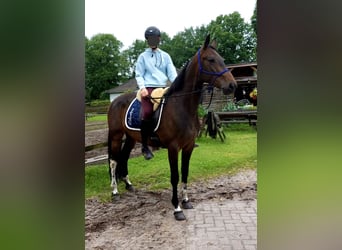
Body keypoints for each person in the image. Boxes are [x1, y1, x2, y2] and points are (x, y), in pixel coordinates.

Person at [135, 26, 178, 160]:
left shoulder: (165, 56)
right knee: (147, 112)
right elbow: (139, 74)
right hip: (148, 88)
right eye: (149, 38)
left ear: (159, 39)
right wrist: (142, 88)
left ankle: (180, 137)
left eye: (155, 38)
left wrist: (176, 85)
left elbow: (171, 73)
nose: (152, 40)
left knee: (177, 108)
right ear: (147, 40)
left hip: (163, 87)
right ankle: (145, 146)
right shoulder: (143, 57)